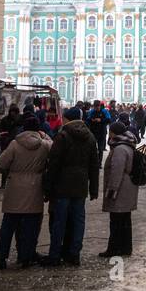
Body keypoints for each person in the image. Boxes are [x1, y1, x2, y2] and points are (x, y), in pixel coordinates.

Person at [40, 111, 99, 267]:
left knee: (59, 222)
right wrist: (94, 189)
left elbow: (53, 164)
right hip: (80, 186)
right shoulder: (90, 137)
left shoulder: (63, 136)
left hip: (62, 185)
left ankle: (54, 256)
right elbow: (94, 165)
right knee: (78, 221)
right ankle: (74, 254)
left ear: (67, 118)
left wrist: (47, 187)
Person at [0, 115, 52, 269]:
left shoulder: (14, 144)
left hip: (14, 189)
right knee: (31, 227)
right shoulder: (44, 145)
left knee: (8, 226)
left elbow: (2, 163)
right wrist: (45, 136)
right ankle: (26, 257)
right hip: (34, 188)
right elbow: (54, 151)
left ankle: (1, 258)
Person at [100, 121, 140, 258]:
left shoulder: (119, 149)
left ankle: (114, 248)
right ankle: (125, 247)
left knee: (116, 220)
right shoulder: (128, 145)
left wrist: (111, 192)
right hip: (128, 188)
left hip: (121, 190)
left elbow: (116, 172)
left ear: (114, 133)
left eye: (110, 131)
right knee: (125, 220)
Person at [0, 104, 22, 189]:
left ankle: (12, 183)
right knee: (6, 164)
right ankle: (3, 183)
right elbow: (0, 133)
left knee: (14, 165)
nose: (12, 114)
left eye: (14, 112)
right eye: (11, 112)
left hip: (16, 145)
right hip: (6, 145)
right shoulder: (5, 120)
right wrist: (1, 142)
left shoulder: (20, 120)